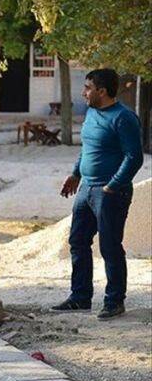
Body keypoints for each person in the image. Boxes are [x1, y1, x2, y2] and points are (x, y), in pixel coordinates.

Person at [52, 68, 144, 320]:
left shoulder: (124, 118)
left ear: (102, 91)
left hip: (111, 192)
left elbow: (134, 157)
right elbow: (87, 147)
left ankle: (114, 301)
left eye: (88, 88)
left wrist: (113, 185)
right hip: (86, 189)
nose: (84, 92)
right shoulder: (91, 113)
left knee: (110, 246)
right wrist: (75, 174)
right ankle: (80, 297)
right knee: (78, 241)